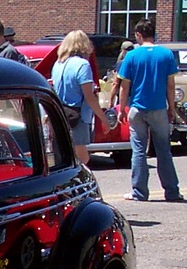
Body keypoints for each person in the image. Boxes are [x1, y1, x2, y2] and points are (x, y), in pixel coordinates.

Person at [118, 18, 182, 202]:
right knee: (164, 150)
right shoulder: (166, 55)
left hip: (137, 108)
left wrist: (122, 108)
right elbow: (171, 85)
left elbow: (124, 86)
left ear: (138, 35)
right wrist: (171, 107)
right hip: (159, 108)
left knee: (138, 150)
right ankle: (171, 191)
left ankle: (139, 192)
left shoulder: (131, 56)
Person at [52, 30, 111, 165]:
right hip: (78, 116)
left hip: (60, 113)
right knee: (82, 158)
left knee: (64, 157)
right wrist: (103, 118)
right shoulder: (82, 65)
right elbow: (89, 97)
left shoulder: (58, 64)